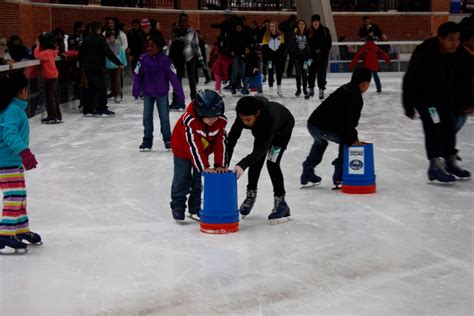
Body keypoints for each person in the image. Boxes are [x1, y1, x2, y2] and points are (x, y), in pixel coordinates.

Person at [403, 21, 470, 183]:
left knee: (449, 125)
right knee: (434, 126)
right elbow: (410, 78)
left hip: (445, 97)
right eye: (451, 39)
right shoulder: (424, 52)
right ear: (441, 38)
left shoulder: (460, 52)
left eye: (457, 39)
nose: (455, 43)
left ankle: (449, 161)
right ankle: (435, 165)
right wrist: (408, 105)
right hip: (425, 100)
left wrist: (468, 101)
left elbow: (466, 79)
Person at [300, 67, 372, 188]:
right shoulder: (356, 97)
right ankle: (339, 176)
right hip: (324, 128)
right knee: (347, 139)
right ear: (364, 83)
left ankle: (307, 171)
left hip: (313, 124)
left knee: (320, 143)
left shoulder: (345, 88)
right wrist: (353, 141)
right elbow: (349, 124)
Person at [226, 96, 295, 224]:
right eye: (242, 119)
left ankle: (281, 203)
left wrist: (243, 164)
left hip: (282, 131)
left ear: (257, 113)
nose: (245, 123)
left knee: (272, 163)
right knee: (256, 161)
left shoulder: (270, 117)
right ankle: (251, 194)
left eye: (248, 119)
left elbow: (263, 148)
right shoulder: (243, 114)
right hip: (262, 131)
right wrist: (224, 163)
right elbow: (232, 139)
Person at [170, 90, 227, 223]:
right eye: (209, 117)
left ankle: (195, 208)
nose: (212, 120)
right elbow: (192, 145)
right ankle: (178, 205)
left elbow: (221, 144)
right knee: (182, 177)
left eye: (215, 116)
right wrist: (204, 166)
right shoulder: (189, 122)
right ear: (200, 112)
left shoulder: (219, 123)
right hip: (182, 150)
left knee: (197, 180)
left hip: (202, 151)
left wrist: (220, 164)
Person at [0, 71, 40, 254]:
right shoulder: (11, 110)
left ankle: (21, 229)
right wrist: (25, 152)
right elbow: (9, 134)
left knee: (20, 196)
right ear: (20, 91)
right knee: (14, 196)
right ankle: (5, 233)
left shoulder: (13, 108)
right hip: (5, 160)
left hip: (11, 160)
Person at [133, 37, 185, 151]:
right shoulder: (143, 59)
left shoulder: (165, 60)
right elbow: (137, 75)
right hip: (148, 93)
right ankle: (147, 141)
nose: (149, 48)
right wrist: (136, 89)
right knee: (146, 118)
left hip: (162, 93)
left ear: (158, 47)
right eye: (148, 46)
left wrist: (180, 95)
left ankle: (168, 140)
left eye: (152, 46)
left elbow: (174, 78)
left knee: (164, 117)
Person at [79, 21, 123, 117]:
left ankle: (88, 109)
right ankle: (102, 108)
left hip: (87, 68)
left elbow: (81, 54)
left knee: (91, 88)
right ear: (98, 29)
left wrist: (82, 66)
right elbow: (108, 52)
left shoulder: (86, 39)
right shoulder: (100, 39)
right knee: (102, 88)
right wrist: (119, 63)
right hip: (97, 68)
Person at [168, 13, 203, 110]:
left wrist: (201, 59)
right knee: (177, 79)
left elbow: (196, 46)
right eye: (182, 20)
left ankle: (194, 102)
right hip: (178, 58)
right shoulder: (175, 31)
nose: (183, 22)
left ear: (187, 21)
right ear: (179, 20)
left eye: (185, 20)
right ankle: (178, 101)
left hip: (190, 57)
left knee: (192, 80)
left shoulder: (192, 32)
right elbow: (170, 44)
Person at [34, 32, 61, 124]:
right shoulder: (52, 51)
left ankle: (52, 116)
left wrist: (37, 46)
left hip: (49, 76)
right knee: (53, 96)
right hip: (53, 75)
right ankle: (57, 115)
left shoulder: (46, 52)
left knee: (50, 97)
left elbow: (37, 55)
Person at [306, 14, 332, 100]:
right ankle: (311, 89)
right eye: (314, 21)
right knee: (311, 73)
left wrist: (323, 50)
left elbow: (329, 43)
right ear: (312, 22)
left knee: (321, 73)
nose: (315, 23)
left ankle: (321, 90)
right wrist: (312, 51)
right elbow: (307, 44)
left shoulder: (325, 30)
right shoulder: (308, 32)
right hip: (312, 56)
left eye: (317, 21)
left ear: (319, 22)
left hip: (323, 56)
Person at [261, 21, 286, 96]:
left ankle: (279, 88)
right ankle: (271, 89)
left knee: (279, 73)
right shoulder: (266, 35)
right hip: (269, 59)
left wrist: (282, 57)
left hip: (278, 58)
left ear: (276, 27)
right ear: (269, 28)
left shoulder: (281, 35)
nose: (272, 28)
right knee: (270, 73)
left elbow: (282, 47)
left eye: (273, 26)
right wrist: (265, 58)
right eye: (270, 26)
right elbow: (264, 48)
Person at [290, 19, 310, 97]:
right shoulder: (294, 35)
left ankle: (305, 90)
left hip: (305, 58)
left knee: (304, 74)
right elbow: (291, 45)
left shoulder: (308, 34)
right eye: (300, 24)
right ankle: (298, 89)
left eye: (303, 24)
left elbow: (310, 45)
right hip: (297, 58)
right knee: (298, 74)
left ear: (305, 25)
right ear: (298, 25)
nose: (301, 25)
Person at [105, 31, 127, 103]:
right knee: (111, 81)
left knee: (117, 81)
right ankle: (113, 92)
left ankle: (118, 94)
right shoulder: (106, 46)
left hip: (117, 65)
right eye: (109, 38)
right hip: (108, 65)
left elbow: (121, 55)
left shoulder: (117, 45)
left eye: (112, 37)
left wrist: (123, 63)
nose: (111, 39)